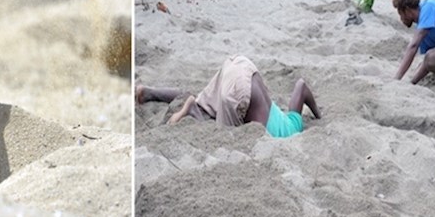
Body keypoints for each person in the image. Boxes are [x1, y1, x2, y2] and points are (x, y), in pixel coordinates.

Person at [135, 55, 320, 138]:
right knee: (224, 135)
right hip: (240, 96)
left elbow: (301, 86)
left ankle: (149, 92)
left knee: (203, 103)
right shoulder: (294, 131)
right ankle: (192, 110)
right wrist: (319, 119)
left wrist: (317, 112)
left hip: (241, 65)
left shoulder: (286, 119)